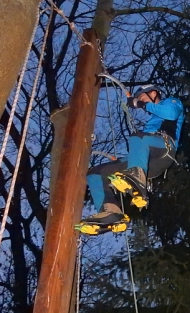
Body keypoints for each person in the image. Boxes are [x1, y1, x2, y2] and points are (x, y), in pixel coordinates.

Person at [76, 84, 184, 235]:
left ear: (153, 93)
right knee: (96, 173)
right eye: (140, 99)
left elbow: (171, 114)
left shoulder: (171, 102)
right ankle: (110, 212)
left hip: (164, 151)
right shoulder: (152, 122)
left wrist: (139, 103)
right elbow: (140, 147)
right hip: (147, 159)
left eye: (143, 97)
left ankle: (137, 180)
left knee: (139, 137)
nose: (141, 102)